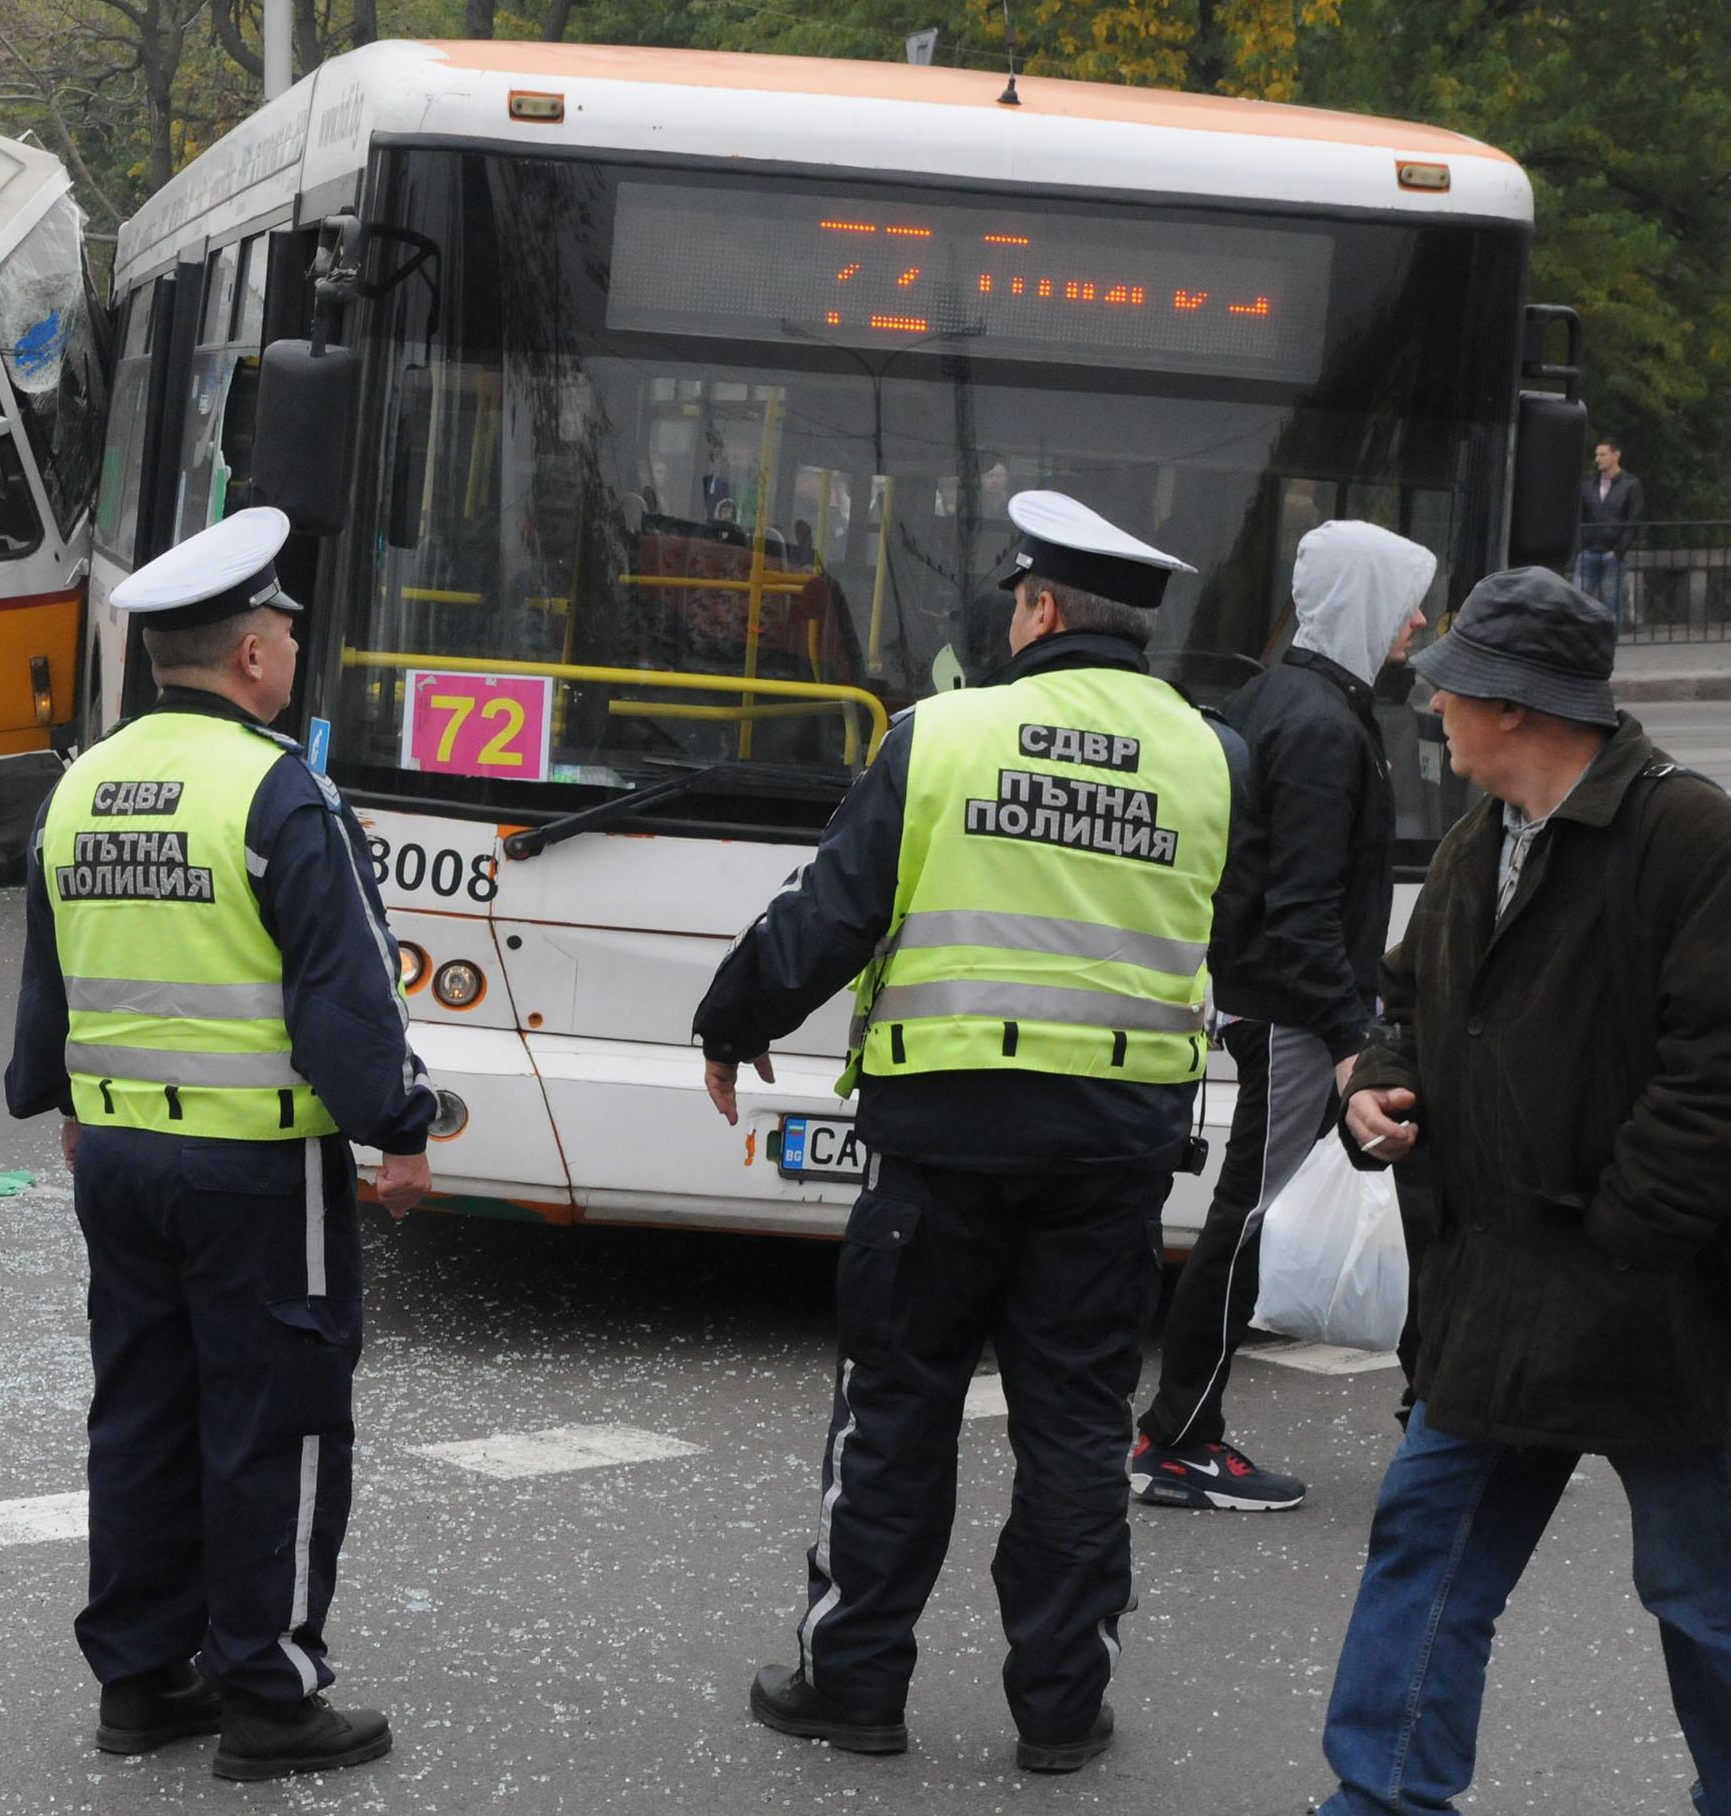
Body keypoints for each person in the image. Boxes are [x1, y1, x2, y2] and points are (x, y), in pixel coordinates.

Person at [696, 491, 1259, 1775]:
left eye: (1020, 600)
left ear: (1043, 608)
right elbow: (1246, 932)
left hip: (942, 1147)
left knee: (896, 1410)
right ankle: (1060, 1710)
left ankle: (855, 1686)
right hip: (1113, 1153)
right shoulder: (1211, 753)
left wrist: (733, 1020)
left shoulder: (940, 735)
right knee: (1072, 1425)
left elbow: (828, 913)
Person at [5, 505, 437, 1782]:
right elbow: (346, 988)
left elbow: (53, 987)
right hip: (257, 1169)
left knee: (141, 1411)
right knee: (278, 1416)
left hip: (121, 1160)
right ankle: (268, 1691)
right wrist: (401, 1128)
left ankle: (143, 1678)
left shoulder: (78, 784)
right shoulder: (275, 789)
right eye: (287, 632)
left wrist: (72, 1106)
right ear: (252, 654)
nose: (296, 650)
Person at [1316, 567, 1731, 1816]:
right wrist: (1379, 1088)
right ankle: (1382, 1803)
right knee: (1426, 1556)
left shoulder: (1688, 836)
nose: (1432, 705)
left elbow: (1714, 1076)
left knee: (1703, 1596)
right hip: (1495, 1300)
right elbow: (1407, 1005)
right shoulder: (1473, 843)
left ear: (1512, 705)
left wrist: (1618, 1245)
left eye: (1450, 688)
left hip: (1656, 1309)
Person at [1132, 520, 1434, 1513]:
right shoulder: (1320, 726)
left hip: (1285, 1006)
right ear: (1358, 601)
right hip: (1301, 1018)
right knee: (1248, 1218)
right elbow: (1303, 911)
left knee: (1367, 1195)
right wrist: (1353, 1039)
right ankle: (1179, 1438)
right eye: (1403, 598)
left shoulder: (1278, 699)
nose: (1420, 618)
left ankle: (1439, 1416)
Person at [1575, 438, 1646, 629]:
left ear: (1616, 455)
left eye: (1602, 454)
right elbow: (1579, 516)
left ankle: (1609, 643)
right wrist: (1581, 544)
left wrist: (1619, 550)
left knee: (1612, 604)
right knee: (1576, 602)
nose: (1597, 459)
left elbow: (1634, 520)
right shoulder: (1588, 484)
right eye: (1596, 455)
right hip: (1588, 550)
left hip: (1612, 554)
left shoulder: (1631, 485)